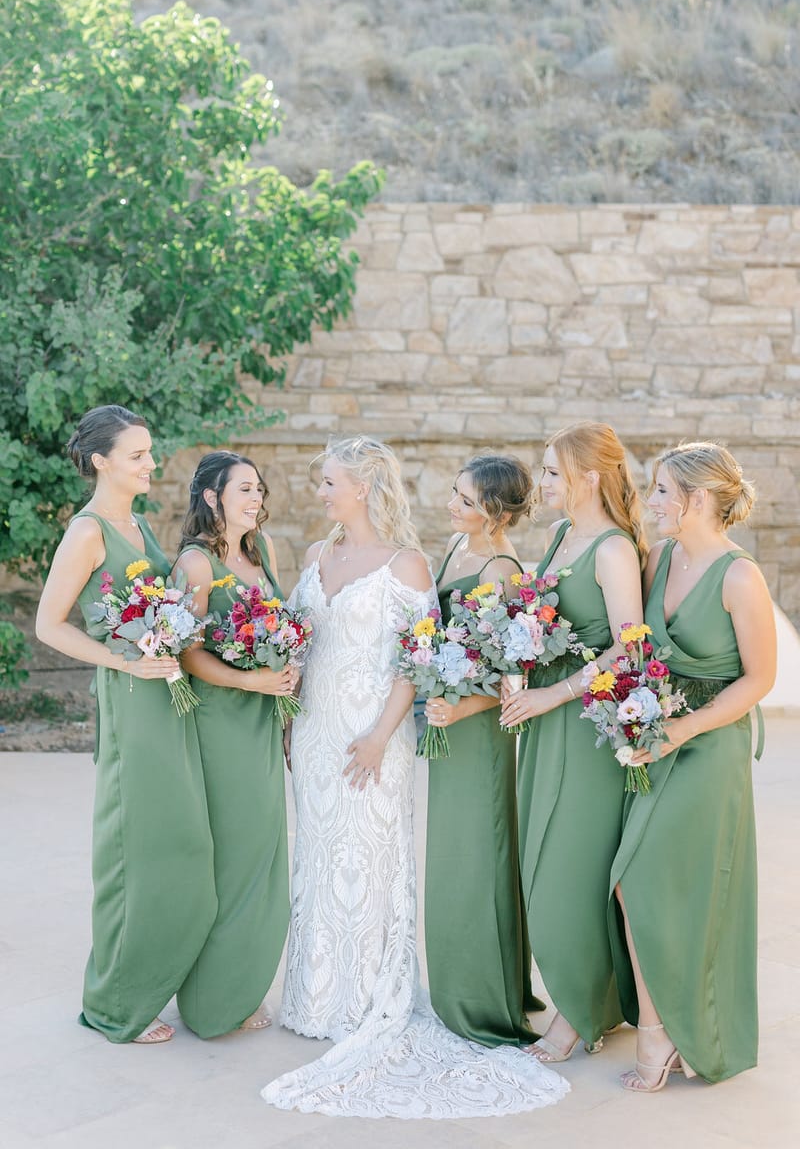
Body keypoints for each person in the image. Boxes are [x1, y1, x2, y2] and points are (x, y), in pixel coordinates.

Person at [261, 436, 568, 1118]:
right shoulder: (314, 557)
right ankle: (315, 995)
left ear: (363, 486)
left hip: (377, 731)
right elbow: (298, 642)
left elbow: (416, 656)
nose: (319, 490)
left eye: (328, 480)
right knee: (316, 853)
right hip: (315, 730)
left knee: (369, 853)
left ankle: (371, 995)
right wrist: (287, 716)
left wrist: (376, 734)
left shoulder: (410, 564)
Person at [35, 405, 216, 1044]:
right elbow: (49, 624)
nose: (150, 463)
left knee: (175, 843)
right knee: (132, 849)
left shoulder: (135, 524)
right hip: (132, 697)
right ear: (101, 461)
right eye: (137, 455)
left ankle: (159, 978)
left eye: (149, 451)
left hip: (168, 695)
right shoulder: (87, 532)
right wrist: (123, 661)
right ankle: (115, 1003)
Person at [609, 442, 776, 1090]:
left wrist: (685, 727)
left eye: (659, 492)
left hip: (711, 744)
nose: (650, 505)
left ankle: (674, 1035)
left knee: (674, 886)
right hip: (655, 734)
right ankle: (658, 1028)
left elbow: (759, 679)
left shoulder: (740, 577)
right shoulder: (658, 557)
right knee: (633, 879)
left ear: (697, 500)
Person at [501, 422, 646, 1062]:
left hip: (582, 726)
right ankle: (589, 998)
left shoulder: (612, 550)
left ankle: (578, 1013)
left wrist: (554, 694)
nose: (545, 482)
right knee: (539, 865)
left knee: (569, 872)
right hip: (541, 716)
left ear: (589, 476)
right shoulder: (560, 535)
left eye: (555, 472)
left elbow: (630, 645)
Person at [174, 451, 296, 1038]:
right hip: (222, 720)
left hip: (264, 717)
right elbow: (188, 653)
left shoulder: (262, 552)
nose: (255, 496)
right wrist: (253, 679)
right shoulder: (196, 566)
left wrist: (283, 678)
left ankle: (243, 982)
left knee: (263, 852)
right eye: (243, 488)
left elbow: (281, 627)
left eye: (258, 487)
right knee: (233, 853)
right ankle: (214, 998)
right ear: (212, 497)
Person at [424, 454, 544, 1048]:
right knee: (452, 853)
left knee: (479, 852)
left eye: (466, 500)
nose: (453, 505)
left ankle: (484, 997)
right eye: (455, 493)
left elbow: (512, 676)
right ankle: (455, 980)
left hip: (476, 728)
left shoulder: (503, 570)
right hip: (447, 720)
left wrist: (459, 708)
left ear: (496, 511)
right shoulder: (454, 548)